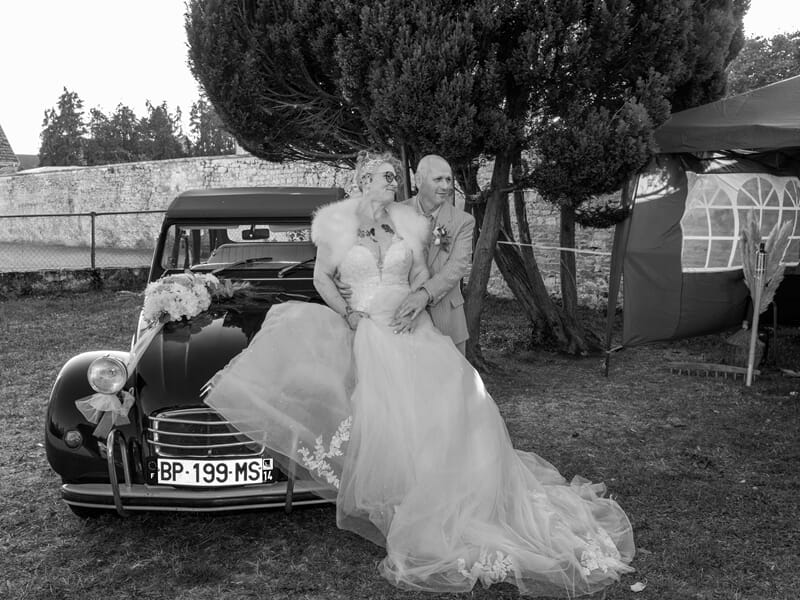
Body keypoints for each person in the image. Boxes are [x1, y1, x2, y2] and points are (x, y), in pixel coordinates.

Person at [204, 150, 635, 596]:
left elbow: (421, 271)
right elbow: (322, 279)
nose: (394, 182)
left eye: (396, 176)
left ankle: (449, 495)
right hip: (369, 328)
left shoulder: (405, 223)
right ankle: (404, 497)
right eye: (386, 176)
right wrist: (347, 313)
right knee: (390, 416)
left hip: (413, 326)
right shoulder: (336, 224)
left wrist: (416, 299)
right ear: (364, 180)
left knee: (449, 405)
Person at [390, 154, 474, 355]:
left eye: (448, 179)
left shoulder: (463, 221)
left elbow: (457, 267)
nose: (446, 186)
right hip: (400, 315)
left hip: (447, 320)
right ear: (419, 180)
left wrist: (424, 294)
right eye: (438, 179)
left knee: (451, 375)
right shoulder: (394, 213)